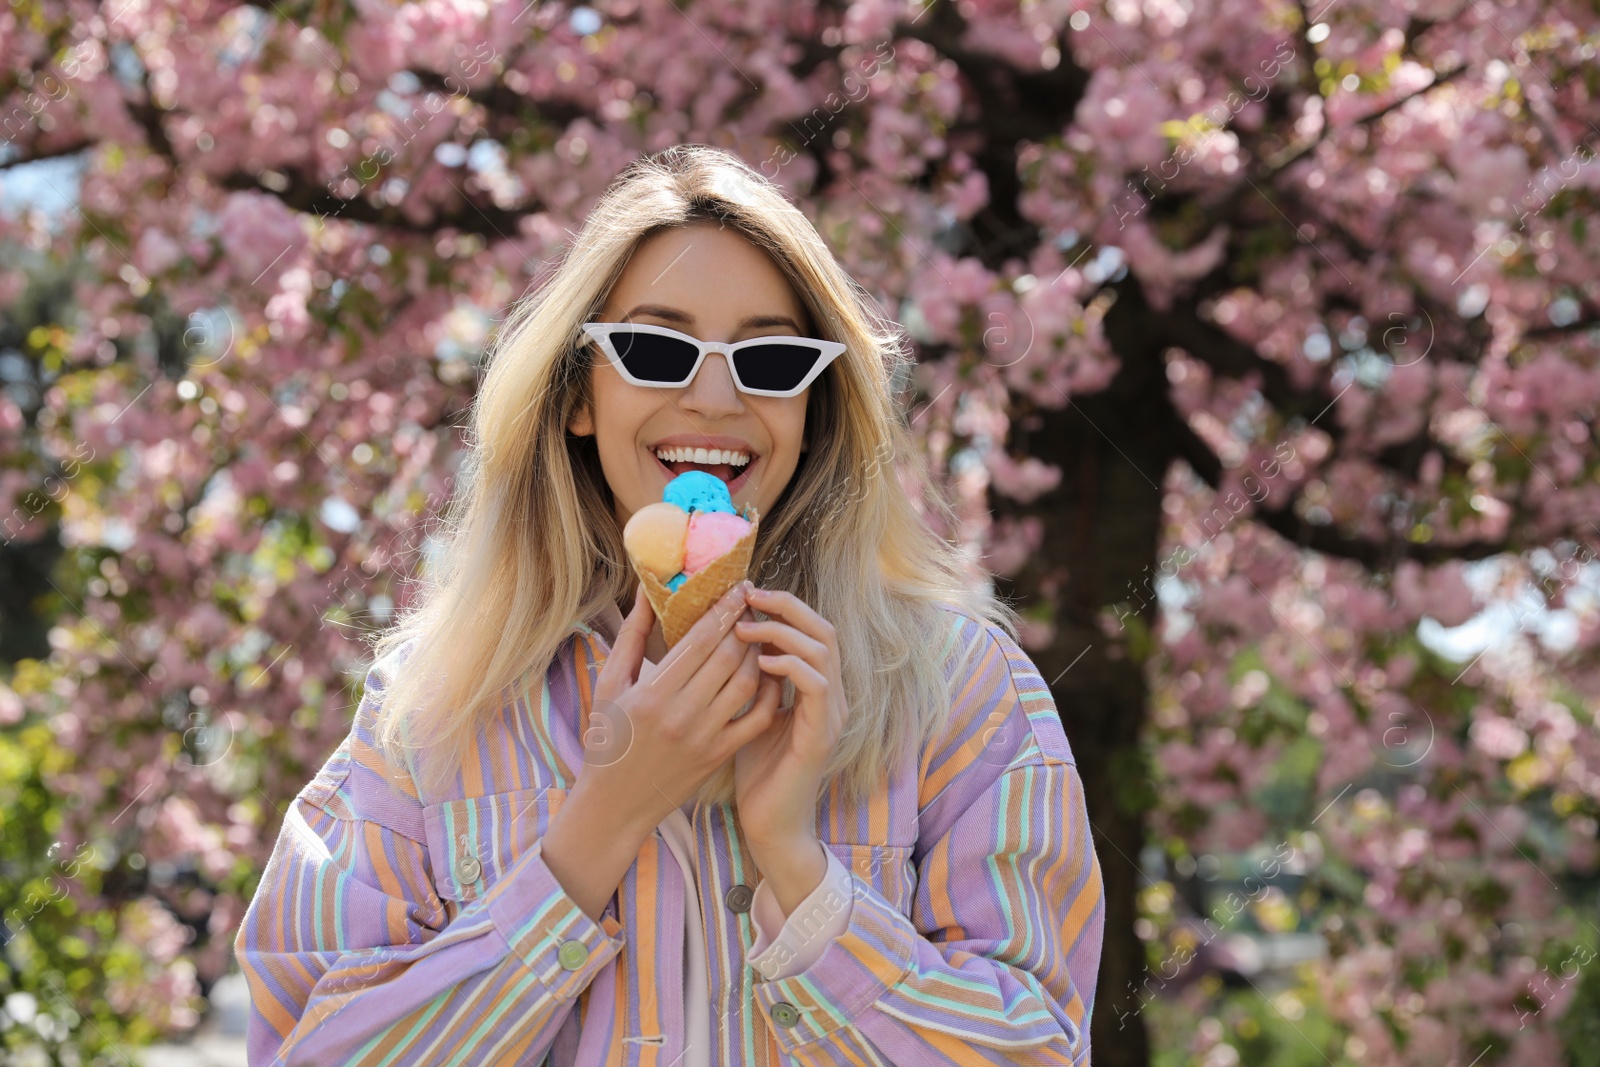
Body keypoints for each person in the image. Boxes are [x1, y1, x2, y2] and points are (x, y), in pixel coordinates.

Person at [235, 144, 1105, 1065]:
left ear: (813, 406)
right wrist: (601, 822)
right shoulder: (430, 705)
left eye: (771, 361)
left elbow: (1039, 1049)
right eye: (656, 350)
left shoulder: (962, 688)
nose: (716, 397)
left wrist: (799, 868)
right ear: (578, 394)